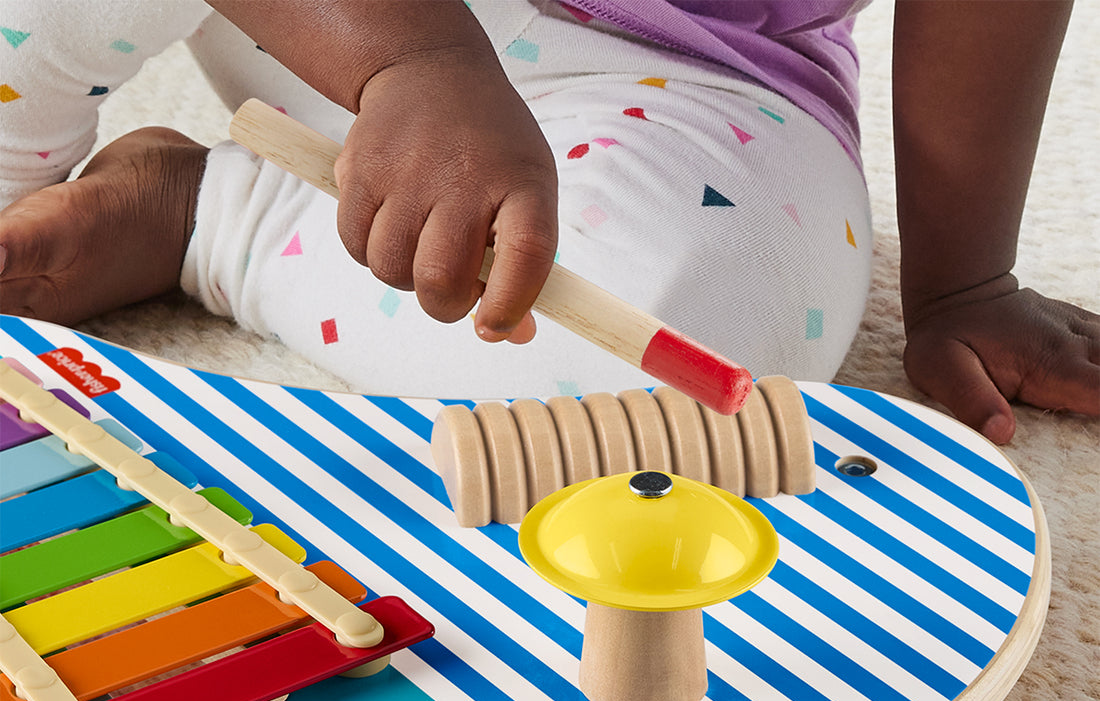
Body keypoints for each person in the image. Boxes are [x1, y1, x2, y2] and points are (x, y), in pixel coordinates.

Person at [0, 0, 1095, 443]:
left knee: (677, 356)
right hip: (327, 22)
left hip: (678, 79)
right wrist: (412, 58)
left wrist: (963, 284)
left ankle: (214, 214)